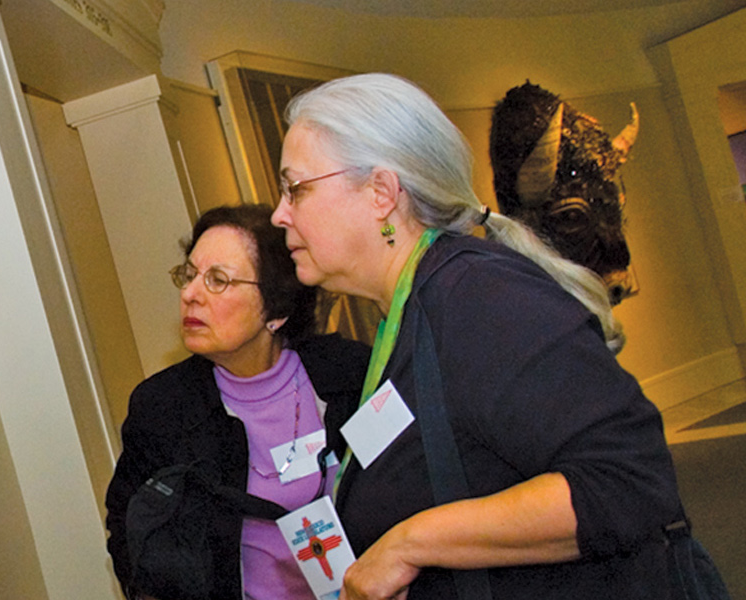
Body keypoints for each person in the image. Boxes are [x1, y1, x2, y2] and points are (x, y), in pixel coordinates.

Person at [269, 73, 685, 600]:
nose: (280, 213)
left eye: (296, 188)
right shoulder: (412, 307)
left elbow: (628, 480)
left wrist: (409, 544)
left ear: (380, 193)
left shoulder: (479, 297)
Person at [105, 203, 371, 600]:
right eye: (190, 275)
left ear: (275, 310)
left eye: (218, 280)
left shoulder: (347, 376)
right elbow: (129, 531)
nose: (190, 294)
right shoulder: (162, 409)